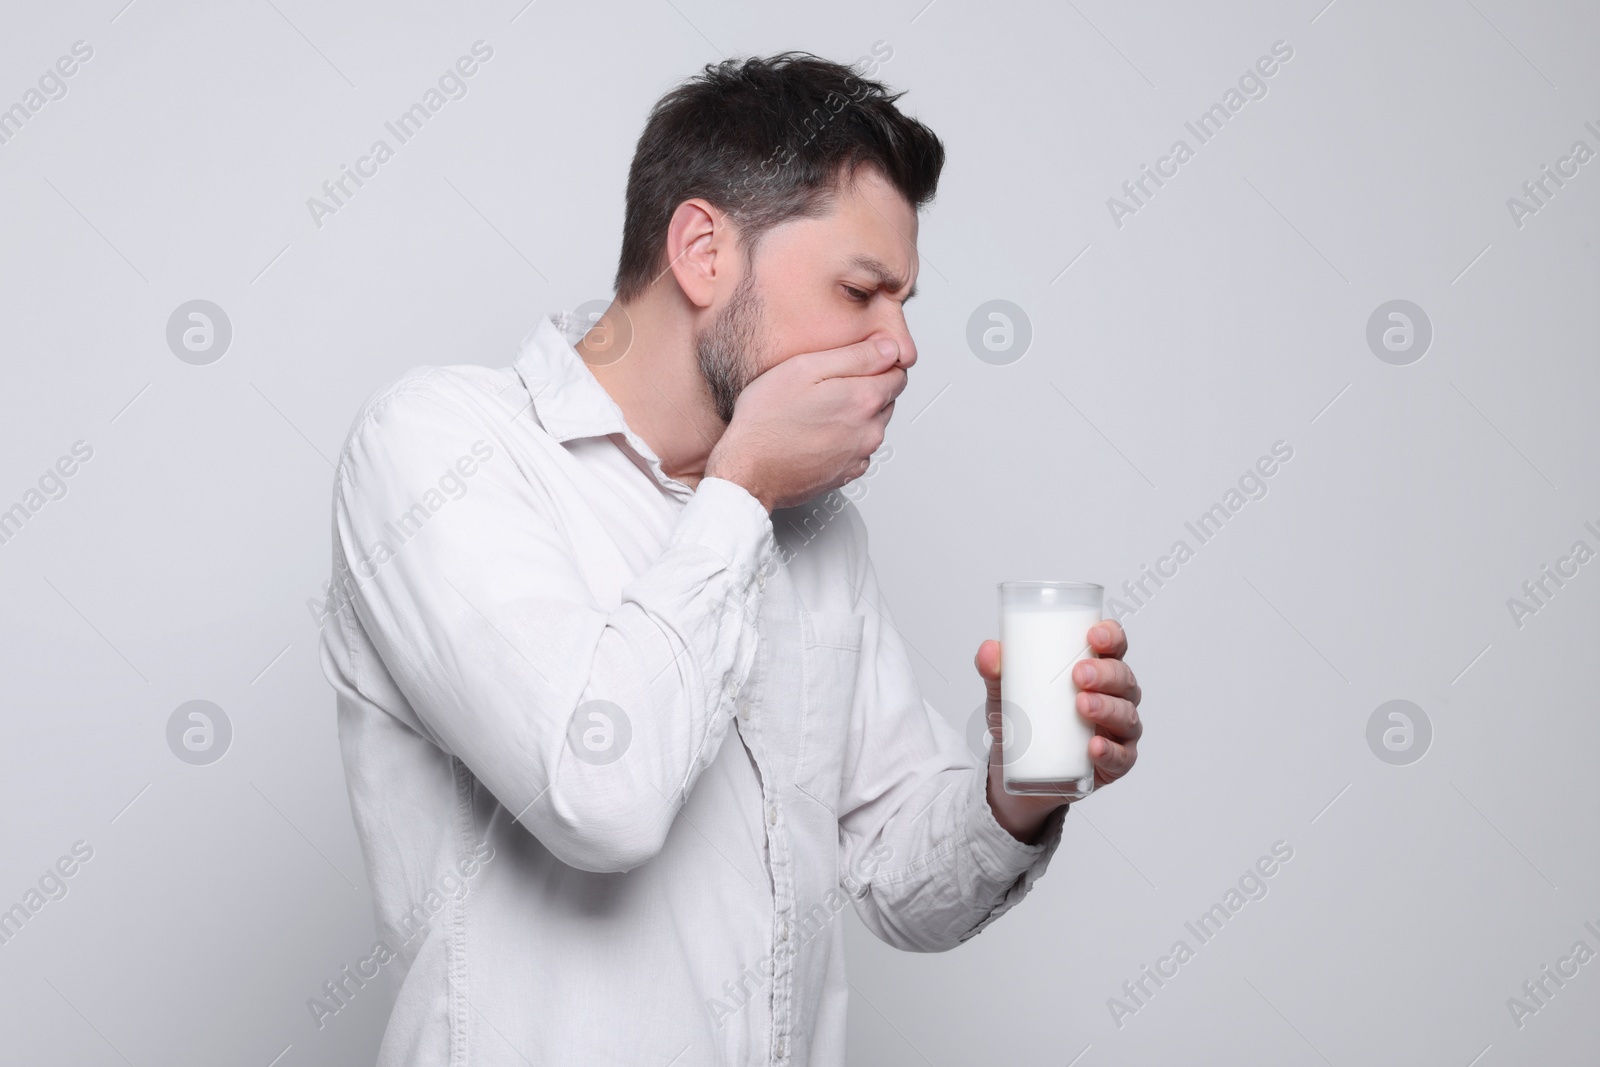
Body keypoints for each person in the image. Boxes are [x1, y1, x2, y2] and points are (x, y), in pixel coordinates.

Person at [318, 50, 1143, 1066]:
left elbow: (895, 877)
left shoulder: (814, 528)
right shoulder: (442, 449)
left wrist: (1014, 790)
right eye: (860, 290)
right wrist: (743, 487)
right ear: (703, 251)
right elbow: (597, 795)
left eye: (906, 301)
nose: (901, 342)